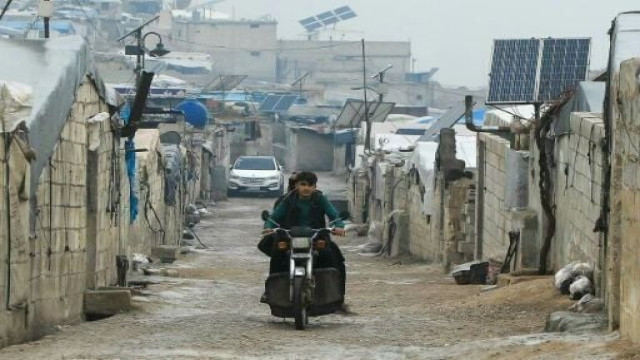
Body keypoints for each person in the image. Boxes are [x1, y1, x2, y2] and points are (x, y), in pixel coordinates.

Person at [260, 171, 347, 297]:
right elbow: (274, 217)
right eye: (303, 184)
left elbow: (334, 215)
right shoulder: (288, 200)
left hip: (316, 236)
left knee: (334, 258)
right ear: (296, 185)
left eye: (310, 185)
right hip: (290, 236)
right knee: (277, 256)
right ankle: (270, 291)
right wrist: (268, 227)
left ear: (315, 187)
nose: (306, 188)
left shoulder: (320, 199)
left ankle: (338, 295)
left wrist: (339, 226)